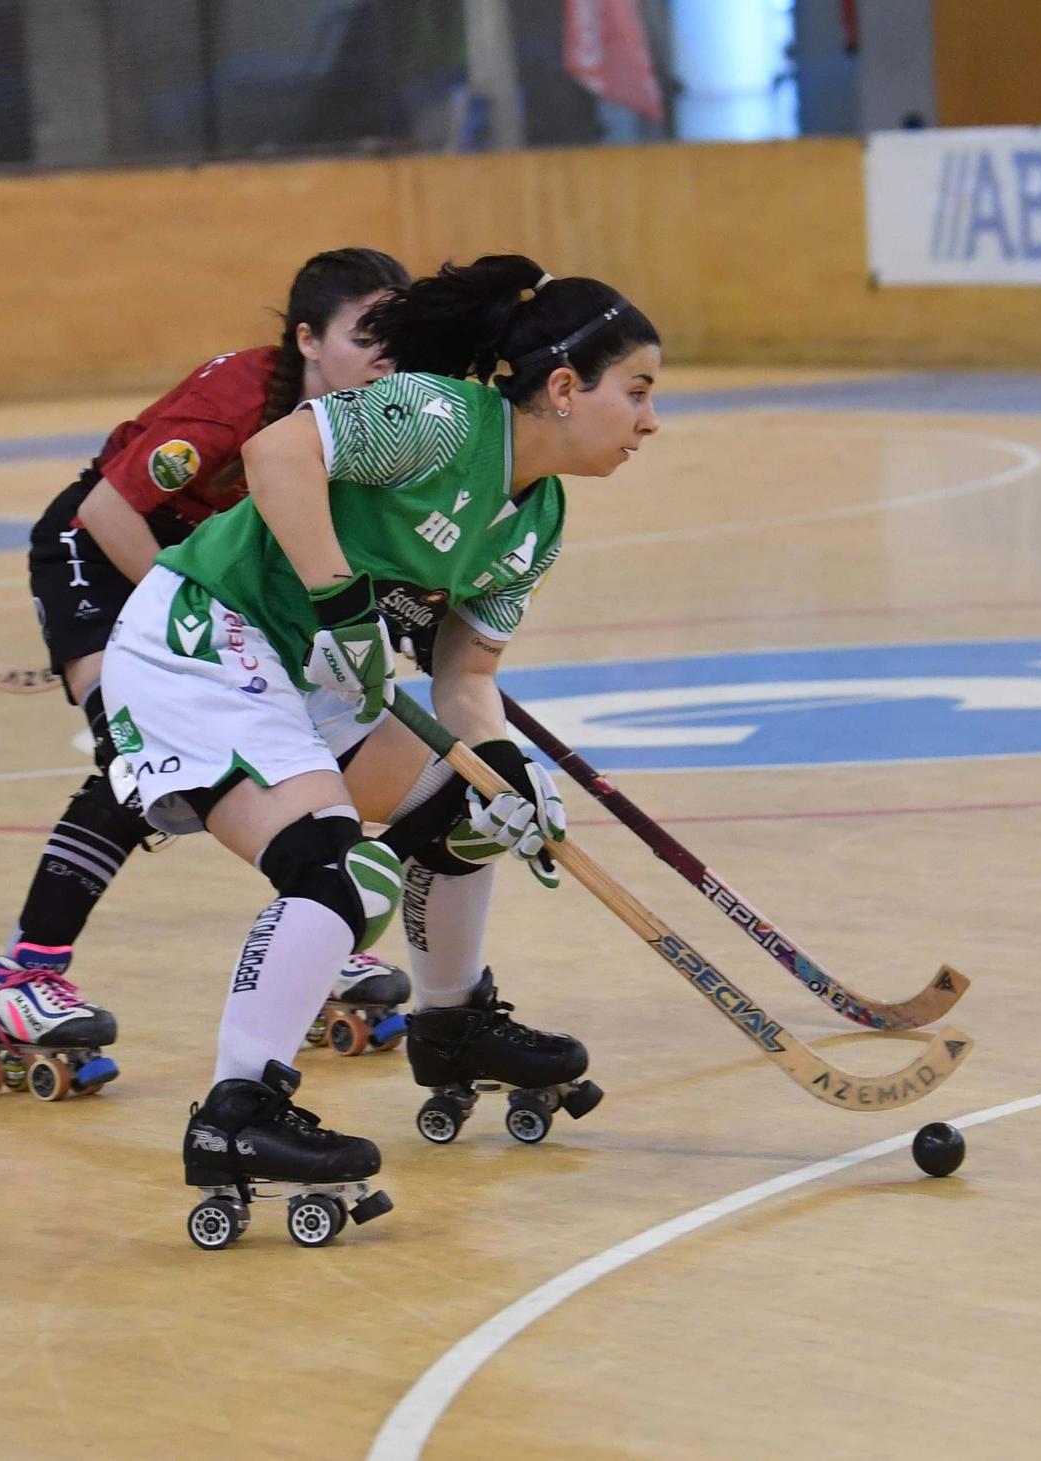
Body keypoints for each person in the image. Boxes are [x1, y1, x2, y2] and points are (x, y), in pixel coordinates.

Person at [100, 255, 661, 1245]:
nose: (651, 422)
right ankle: (237, 1113)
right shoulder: (438, 418)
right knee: (335, 874)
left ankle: (451, 1026)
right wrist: (336, 598)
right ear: (565, 389)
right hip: (206, 636)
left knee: (462, 807)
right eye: (639, 391)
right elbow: (278, 456)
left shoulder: (536, 519)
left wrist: (513, 780)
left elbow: (463, 685)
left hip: (305, 671)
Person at [0, 248, 413, 1098]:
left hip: (228, 580)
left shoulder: (381, 418)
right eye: (368, 336)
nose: (389, 357)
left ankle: (319, 930)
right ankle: (21, 978)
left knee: (311, 742)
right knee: (139, 760)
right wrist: (212, 623)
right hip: (107, 552)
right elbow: (106, 510)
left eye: (399, 337)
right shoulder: (242, 399)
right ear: (308, 340)